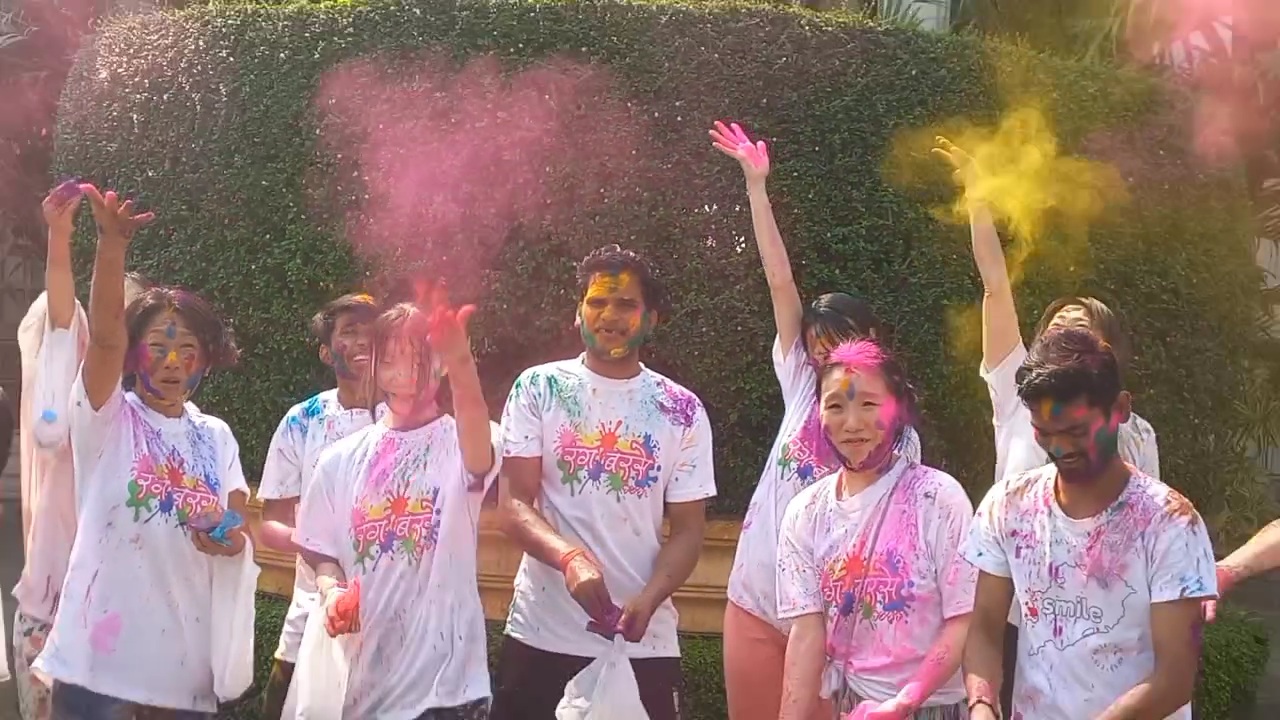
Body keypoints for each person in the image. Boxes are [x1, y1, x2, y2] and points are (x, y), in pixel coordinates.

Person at [932, 136, 1163, 711]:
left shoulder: (1137, 433)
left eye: (1082, 329)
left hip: (1103, 618)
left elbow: (1148, 523)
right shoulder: (1016, 392)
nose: (1066, 334)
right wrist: (980, 193)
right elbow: (994, 284)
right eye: (1057, 326)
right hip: (1015, 610)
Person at [708, 121, 923, 720]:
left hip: (834, 626)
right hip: (755, 598)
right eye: (820, 347)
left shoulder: (901, 439)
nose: (833, 360)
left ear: (872, 340)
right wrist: (757, 188)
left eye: (844, 343)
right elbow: (780, 280)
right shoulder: (804, 385)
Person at [32, 184, 256, 717]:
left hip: (183, 673)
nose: (173, 361)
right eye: (158, 347)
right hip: (98, 663)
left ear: (206, 361)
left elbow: (236, 515)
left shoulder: (216, 435)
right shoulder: (107, 416)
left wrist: (223, 534)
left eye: (188, 350)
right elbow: (105, 338)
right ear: (135, 355)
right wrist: (112, 247)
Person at [491, 244, 716, 720]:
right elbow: (513, 504)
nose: (609, 315)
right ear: (579, 313)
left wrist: (651, 598)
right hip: (542, 629)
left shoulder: (681, 409)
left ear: (651, 319)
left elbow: (690, 531)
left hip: (643, 640)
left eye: (626, 304)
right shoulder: (539, 388)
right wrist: (569, 558)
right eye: (597, 302)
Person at [960, 328, 1215, 720]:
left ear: (1120, 409)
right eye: (1044, 432)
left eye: (1077, 431)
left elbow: (1175, 679)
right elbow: (985, 629)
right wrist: (981, 703)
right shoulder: (1008, 506)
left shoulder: (1171, 524)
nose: (1059, 448)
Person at [295, 296, 499, 719]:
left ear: (440, 365)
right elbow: (320, 549)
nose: (404, 377)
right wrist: (332, 591)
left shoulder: (464, 443)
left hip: (448, 691)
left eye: (418, 360)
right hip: (364, 688)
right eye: (389, 361)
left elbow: (479, 456)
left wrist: (462, 363)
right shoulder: (339, 459)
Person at [776, 338, 976, 720]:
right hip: (855, 710)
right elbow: (806, 635)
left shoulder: (938, 499)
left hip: (934, 707)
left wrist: (905, 702)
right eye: (835, 406)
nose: (852, 423)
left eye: (869, 404)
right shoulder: (806, 513)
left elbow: (965, 620)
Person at [13, 183, 153, 720]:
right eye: (109, 309)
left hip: (121, 614)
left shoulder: (159, 422)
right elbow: (63, 308)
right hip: (53, 604)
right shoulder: (71, 398)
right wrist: (60, 237)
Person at [256, 292, 382, 719]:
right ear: (327, 352)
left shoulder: (404, 420)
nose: (364, 341)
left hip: (386, 621)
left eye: (372, 332)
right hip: (309, 613)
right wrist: (318, 548)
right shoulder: (302, 420)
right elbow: (270, 522)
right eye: (350, 333)